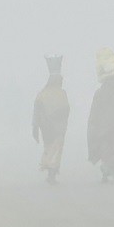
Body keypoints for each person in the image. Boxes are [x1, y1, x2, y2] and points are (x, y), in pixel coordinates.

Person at [87, 48, 114, 183]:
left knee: (108, 151)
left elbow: (94, 112)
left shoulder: (101, 94)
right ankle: (111, 172)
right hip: (111, 129)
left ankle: (108, 172)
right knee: (112, 150)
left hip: (106, 129)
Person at [32, 55, 70, 185]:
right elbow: (65, 109)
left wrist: (36, 127)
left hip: (49, 127)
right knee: (54, 148)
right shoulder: (56, 93)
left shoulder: (44, 93)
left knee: (51, 147)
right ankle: (52, 172)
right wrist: (35, 127)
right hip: (53, 128)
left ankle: (51, 171)